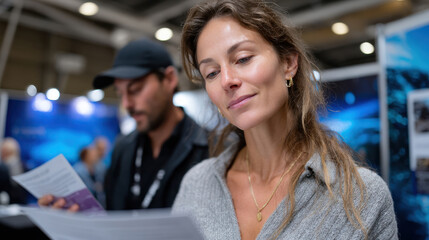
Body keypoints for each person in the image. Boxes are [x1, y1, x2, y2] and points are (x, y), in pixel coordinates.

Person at [172, 0, 398, 239]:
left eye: (243, 58)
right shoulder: (197, 184)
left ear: (288, 63)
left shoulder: (361, 196)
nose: (227, 80)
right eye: (212, 73)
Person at [38, 38, 209, 211]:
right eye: (120, 94)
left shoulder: (211, 149)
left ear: (169, 79)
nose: (127, 104)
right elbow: (111, 213)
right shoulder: (123, 147)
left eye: (135, 90)